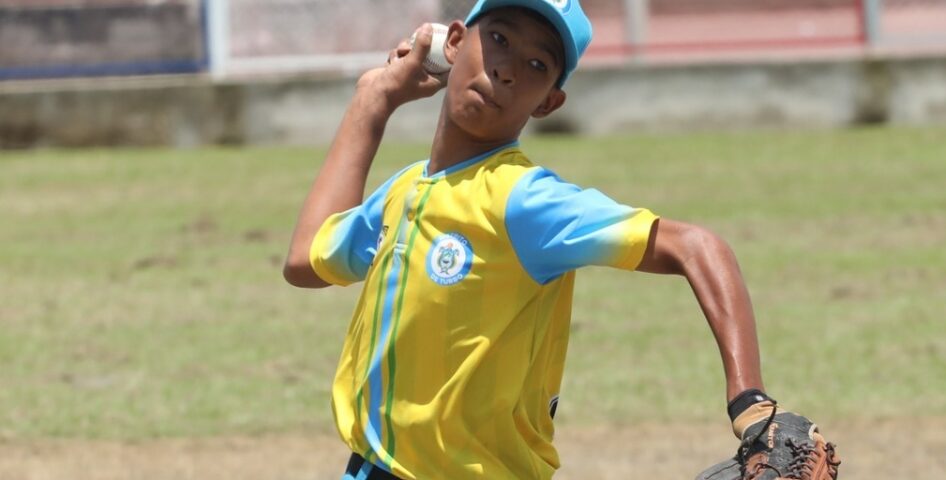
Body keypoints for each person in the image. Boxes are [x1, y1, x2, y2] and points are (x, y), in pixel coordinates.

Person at [283, 0, 824, 478]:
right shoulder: (404, 192)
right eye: (497, 38)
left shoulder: (525, 200)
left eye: (537, 65)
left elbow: (698, 245)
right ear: (453, 42)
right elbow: (306, 260)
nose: (508, 69)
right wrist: (373, 98)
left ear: (548, 102)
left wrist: (748, 399)